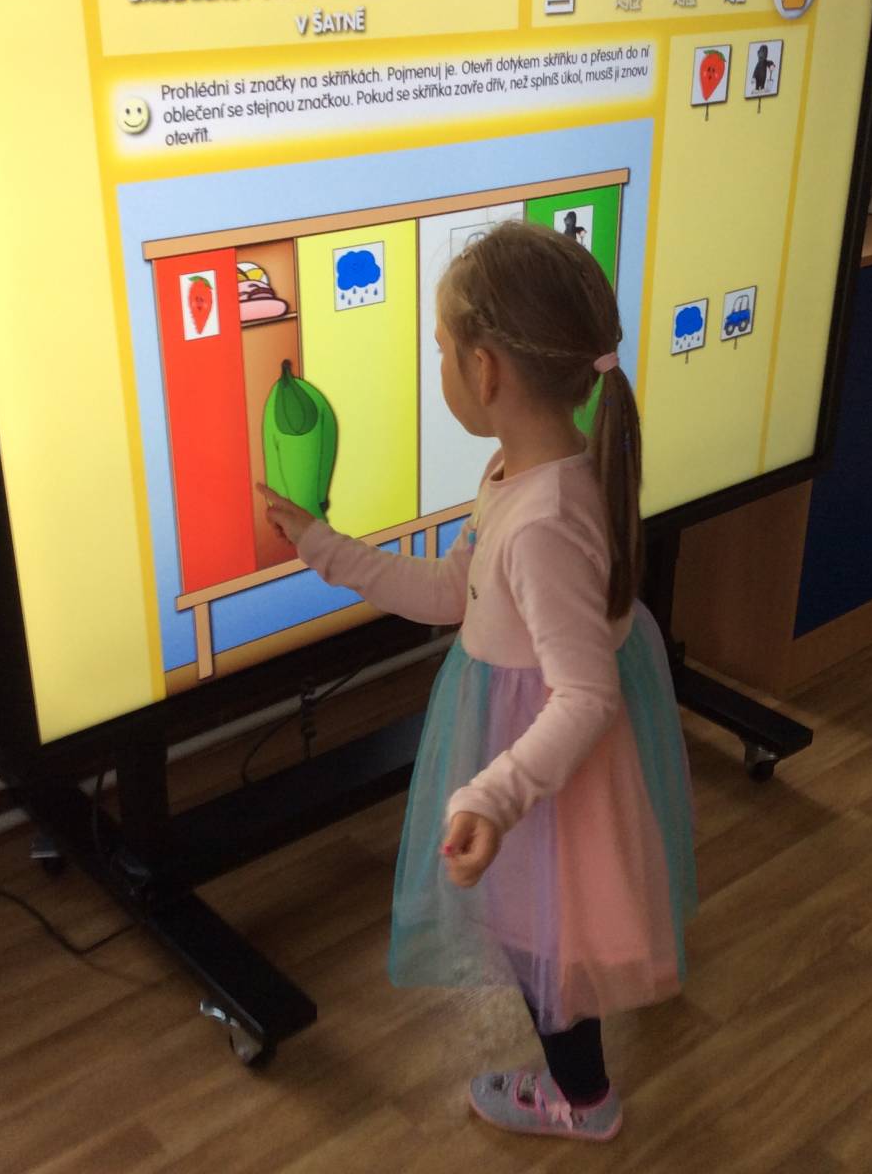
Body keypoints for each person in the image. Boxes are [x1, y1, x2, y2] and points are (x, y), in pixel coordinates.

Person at [258, 220, 696, 1143]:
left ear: (485, 370)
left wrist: (493, 798)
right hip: (539, 745)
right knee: (549, 926)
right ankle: (583, 1069)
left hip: (546, 763)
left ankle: (584, 1102)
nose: (441, 367)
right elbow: (447, 593)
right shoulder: (530, 472)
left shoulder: (540, 521)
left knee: (541, 938)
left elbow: (584, 697)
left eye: (442, 350)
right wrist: (322, 547)